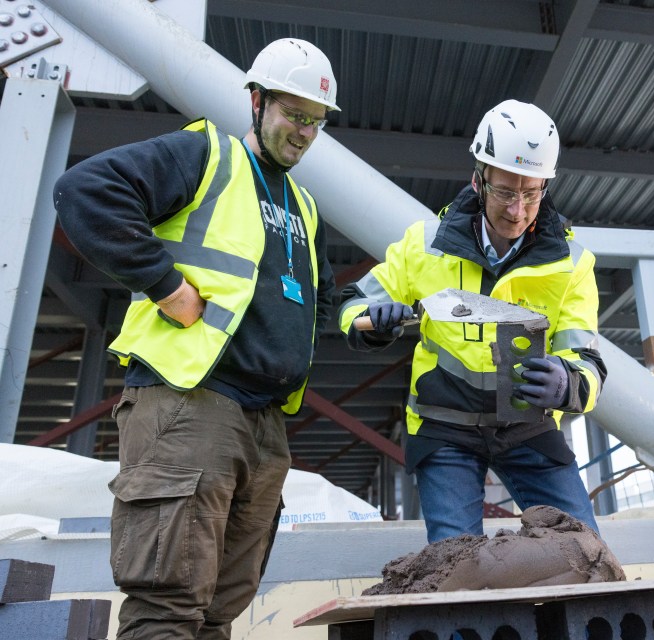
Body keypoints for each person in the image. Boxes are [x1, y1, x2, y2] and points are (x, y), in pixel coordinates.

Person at [53, 38, 339, 639]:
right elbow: (86, 191)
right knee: (168, 606)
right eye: (294, 113)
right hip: (190, 404)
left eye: (315, 121)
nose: (305, 132)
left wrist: (372, 320)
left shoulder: (304, 208)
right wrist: (165, 285)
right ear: (257, 102)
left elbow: (326, 305)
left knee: (215, 613)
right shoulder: (210, 155)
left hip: (263, 425)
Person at [338, 99, 606, 543]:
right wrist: (370, 321)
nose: (517, 210)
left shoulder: (572, 265)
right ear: (478, 181)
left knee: (584, 549)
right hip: (444, 428)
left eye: (531, 193)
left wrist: (568, 382)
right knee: (454, 562)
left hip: (527, 426)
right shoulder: (424, 245)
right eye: (505, 191)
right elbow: (350, 306)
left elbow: (587, 361)